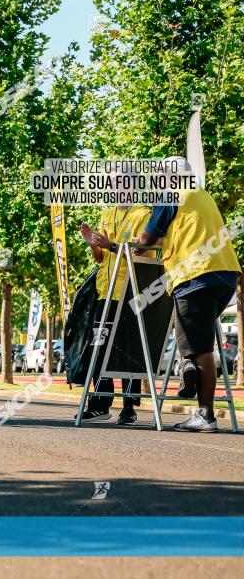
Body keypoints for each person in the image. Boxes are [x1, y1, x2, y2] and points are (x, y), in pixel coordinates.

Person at [134, 157, 242, 432]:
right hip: (225, 274)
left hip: (195, 277)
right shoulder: (201, 196)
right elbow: (176, 236)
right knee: (196, 338)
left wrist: (137, 243)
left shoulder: (172, 193)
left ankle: (205, 414)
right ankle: (187, 368)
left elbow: (147, 239)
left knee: (199, 348)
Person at [79, 203, 154, 425]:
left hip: (129, 291)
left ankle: (129, 407)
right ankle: (99, 405)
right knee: (98, 347)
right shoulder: (106, 214)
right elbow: (100, 258)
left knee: (127, 349)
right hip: (104, 291)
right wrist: (93, 245)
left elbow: (143, 253)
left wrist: (111, 245)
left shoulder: (144, 214)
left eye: (122, 183)